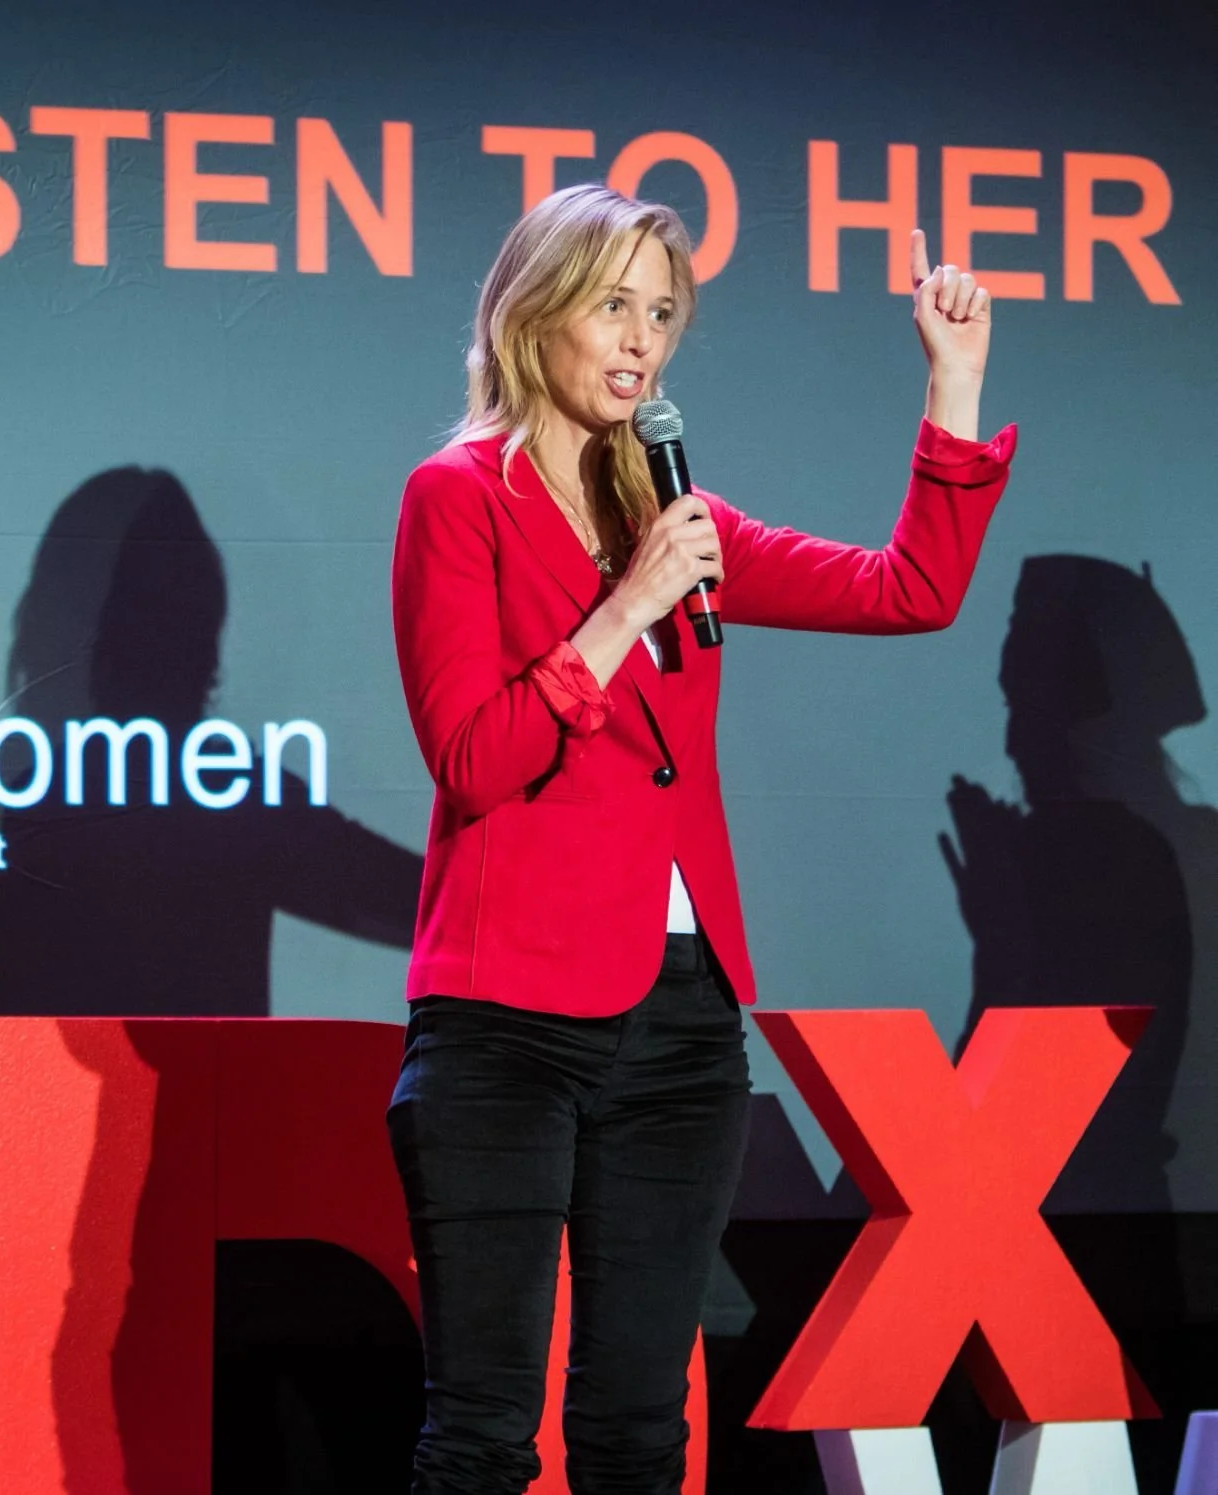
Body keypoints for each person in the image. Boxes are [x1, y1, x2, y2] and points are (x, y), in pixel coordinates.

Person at [386, 182, 1015, 1495]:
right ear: (533, 309)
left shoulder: (675, 516)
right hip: (507, 1019)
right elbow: (473, 757)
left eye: (661, 314)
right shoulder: (457, 498)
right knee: (485, 1431)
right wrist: (625, 611)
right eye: (614, 303)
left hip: (681, 1022)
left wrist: (951, 386)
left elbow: (912, 590)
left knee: (640, 1430)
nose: (640, 340)